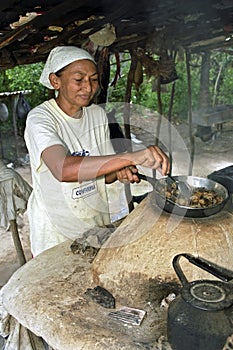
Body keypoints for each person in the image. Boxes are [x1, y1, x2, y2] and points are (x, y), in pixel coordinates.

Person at [24, 45, 170, 257]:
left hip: (94, 221)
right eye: (79, 79)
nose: (88, 87)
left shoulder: (97, 116)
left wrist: (117, 172)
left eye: (93, 79)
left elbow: (103, 174)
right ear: (56, 81)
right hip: (58, 228)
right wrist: (129, 157)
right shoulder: (41, 118)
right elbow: (63, 170)